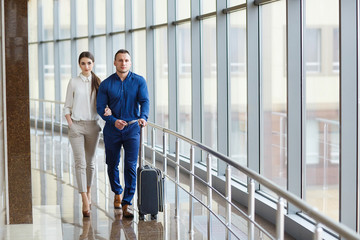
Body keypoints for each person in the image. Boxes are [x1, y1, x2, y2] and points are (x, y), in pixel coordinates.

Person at [96, 49, 149, 218]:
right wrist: (113, 121)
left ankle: (127, 202)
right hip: (112, 130)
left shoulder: (139, 81)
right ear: (114, 62)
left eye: (126, 60)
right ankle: (117, 191)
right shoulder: (106, 84)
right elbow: (100, 107)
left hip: (133, 128)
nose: (123, 63)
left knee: (130, 166)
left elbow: (144, 101)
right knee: (112, 163)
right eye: (120, 60)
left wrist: (143, 117)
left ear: (130, 62)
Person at [64, 51, 111, 217]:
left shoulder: (98, 82)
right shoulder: (73, 82)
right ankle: (84, 199)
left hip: (93, 126)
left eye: (89, 63)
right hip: (76, 126)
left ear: (93, 64)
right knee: (80, 162)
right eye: (83, 63)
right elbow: (67, 106)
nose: (86, 66)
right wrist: (71, 125)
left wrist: (107, 110)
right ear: (79, 64)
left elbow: (104, 104)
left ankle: (89, 191)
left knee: (90, 163)